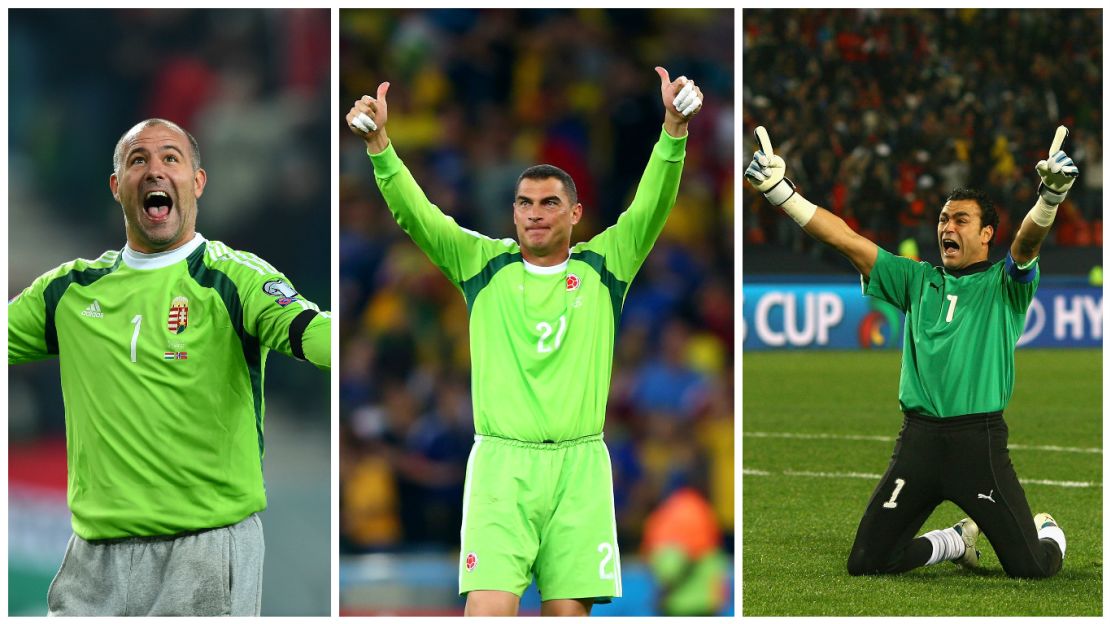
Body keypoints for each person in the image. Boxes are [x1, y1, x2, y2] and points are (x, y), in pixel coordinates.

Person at [345, 66, 703, 616]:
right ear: (512, 212)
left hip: (580, 469)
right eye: (525, 203)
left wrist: (673, 132)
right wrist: (380, 148)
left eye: (549, 203)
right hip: (501, 470)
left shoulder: (606, 266)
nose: (535, 214)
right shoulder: (482, 265)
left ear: (575, 213)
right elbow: (417, 217)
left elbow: (650, 206)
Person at [8, 118, 331, 616]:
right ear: (118, 187)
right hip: (92, 561)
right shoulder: (68, 293)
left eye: (171, 158)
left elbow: (315, 334)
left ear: (197, 182)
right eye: (138, 160)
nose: (155, 170)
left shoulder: (232, 280)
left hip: (202, 550)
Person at [744, 125, 1075, 579]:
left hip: (977, 444)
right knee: (867, 563)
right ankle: (955, 540)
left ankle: (1049, 530)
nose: (947, 227)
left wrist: (1050, 199)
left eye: (960, 220)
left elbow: (1026, 245)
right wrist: (782, 193)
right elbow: (846, 240)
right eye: (943, 219)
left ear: (986, 235)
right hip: (917, 441)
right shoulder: (917, 280)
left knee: (1031, 567)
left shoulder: (1004, 286)